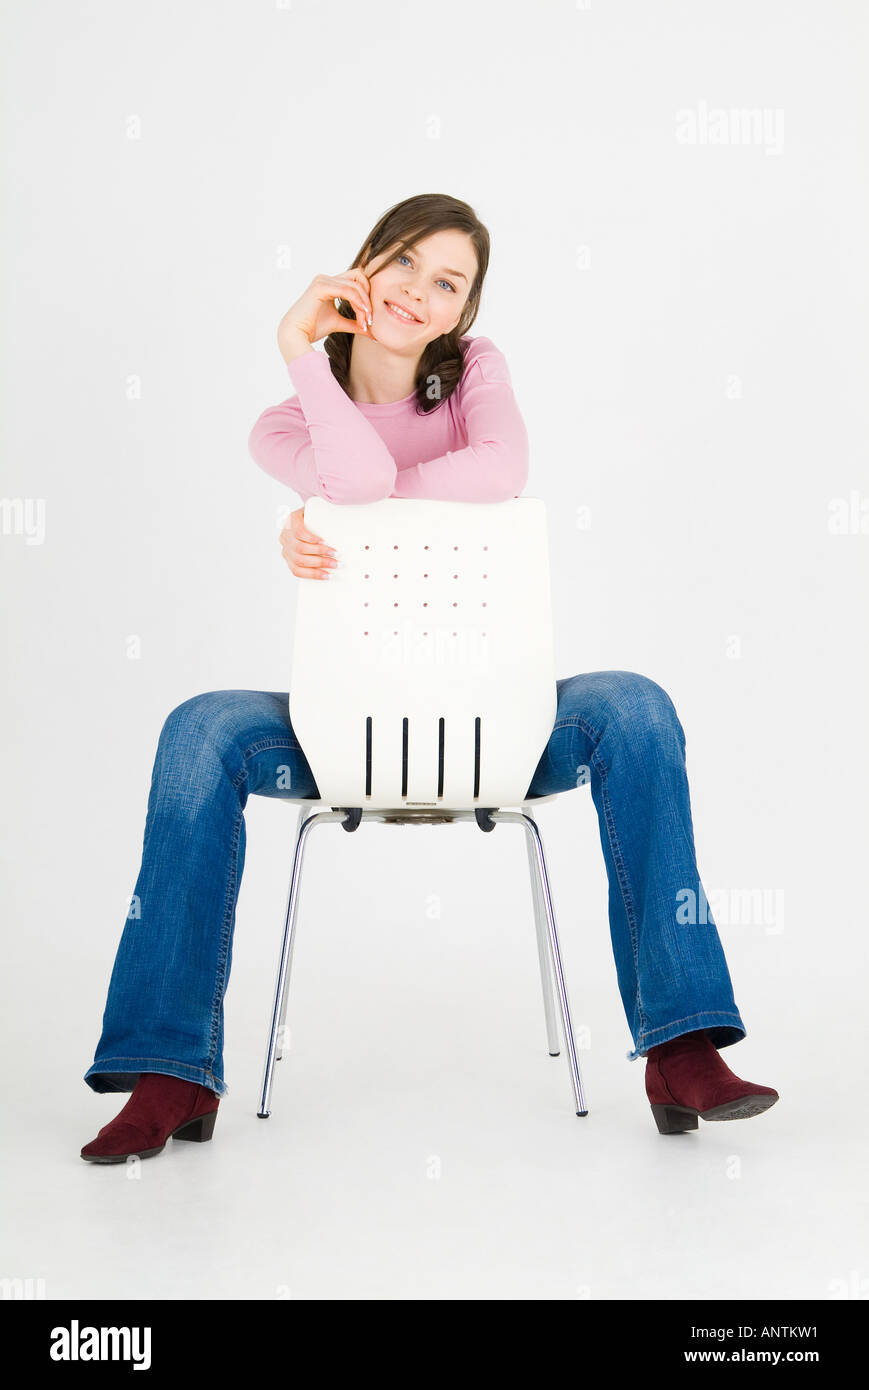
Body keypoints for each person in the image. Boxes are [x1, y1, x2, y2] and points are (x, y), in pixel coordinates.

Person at [80, 193, 778, 1163]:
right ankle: (170, 1069)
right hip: (346, 724)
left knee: (636, 707)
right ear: (359, 265)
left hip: (503, 722)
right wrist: (299, 348)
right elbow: (354, 478)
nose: (417, 291)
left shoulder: (474, 376)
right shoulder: (283, 425)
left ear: (462, 312)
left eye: (445, 282)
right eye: (402, 262)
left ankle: (681, 1045)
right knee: (197, 729)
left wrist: (347, 521)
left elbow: (498, 470)